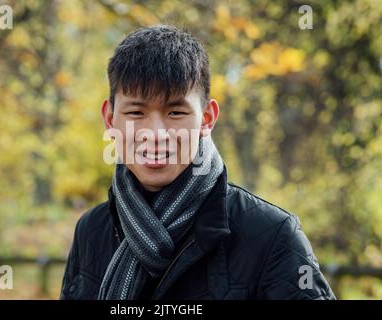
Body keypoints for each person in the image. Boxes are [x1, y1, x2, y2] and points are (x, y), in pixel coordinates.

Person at [60, 25, 335, 300]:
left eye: (175, 112)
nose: (155, 134)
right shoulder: (91, 231)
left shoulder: (271, 235)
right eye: (136, 112)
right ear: (110, 119)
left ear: (207, 118)